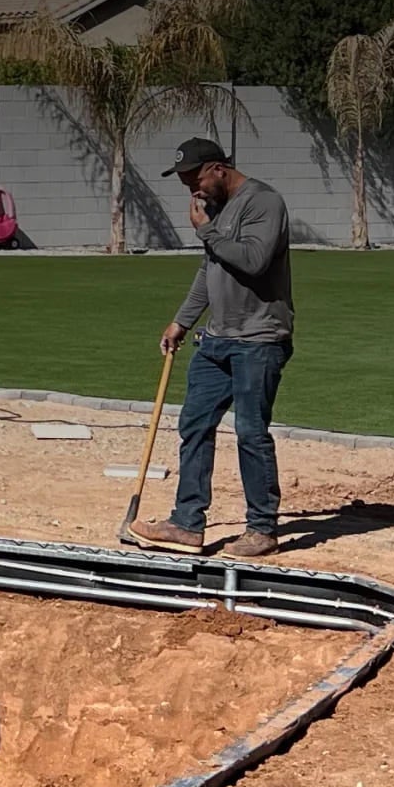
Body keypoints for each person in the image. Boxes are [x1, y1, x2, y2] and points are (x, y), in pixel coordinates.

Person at [130, 137, 294, 558]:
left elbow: (254, 260)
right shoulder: (217, 212)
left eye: (195, 179)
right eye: (186, 184)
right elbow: (210, 270)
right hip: (217, 339)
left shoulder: (264, 203)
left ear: (219, 167)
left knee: (250, 432)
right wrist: (182, 320)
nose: (193, 191)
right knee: (194, 424)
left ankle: (262, 529)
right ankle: (187, 523)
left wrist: (207, 231)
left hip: (259, 338)